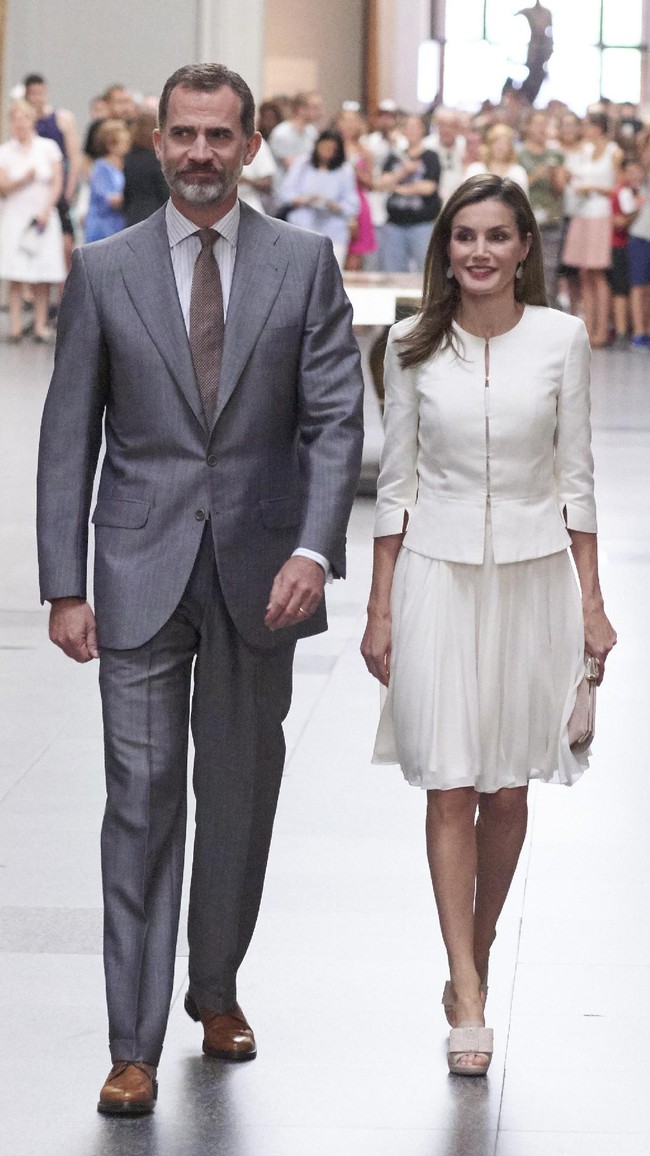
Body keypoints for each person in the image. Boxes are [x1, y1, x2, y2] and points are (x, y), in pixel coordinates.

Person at [37, 62, 364, 1116]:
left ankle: (215, 988)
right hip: (136, 570)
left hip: (262, 576)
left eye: (220, 135)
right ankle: (131, 1044)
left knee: (237, 792)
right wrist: (63, 583)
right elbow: (67, 437)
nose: (199, 153)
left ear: (251, 144)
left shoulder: (303, 264)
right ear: (158, 141)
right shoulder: (103, 270)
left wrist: (314, 549)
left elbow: (334, 421)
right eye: (183, 133)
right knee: (138, 800)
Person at [361, 174, 616, 1078]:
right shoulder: (409, 344)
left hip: (535, 576)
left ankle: (482, 937)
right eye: (463, 235)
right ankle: (466, 990)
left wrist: (592, 601)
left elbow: (577, 477)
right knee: (450, 781)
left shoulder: (562, 338)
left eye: (496, 236)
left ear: (523, 249)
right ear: (446, 249)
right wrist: (380, 606)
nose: (479, 251)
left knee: (507, 791)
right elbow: (396, 483)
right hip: (435, 574)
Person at [0, 99, 66, 342]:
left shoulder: (48, 148)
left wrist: (47, 210)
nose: (20, 124)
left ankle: (39, 326)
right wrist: (24, 179)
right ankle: (15, 327)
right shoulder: (5, 151)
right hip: (15, 216)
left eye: (24, 119)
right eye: (15, 120)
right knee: (16, 274)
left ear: (32, 121)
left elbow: (57, 182)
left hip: (42, 217)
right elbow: (4, 187)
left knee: (42, 275)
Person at [561, 112, 621, 347]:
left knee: (598, 272)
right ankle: (588, 327)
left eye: (587, 125)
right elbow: (574, 176)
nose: (583, 129)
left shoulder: (613, 152)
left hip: (601, 214)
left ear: (598, 127)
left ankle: (601, 329)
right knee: (584, 273)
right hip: (582, 212)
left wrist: (594, 188)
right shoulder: (584, 151)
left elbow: (618, 186)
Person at [24, 72, 82, 273]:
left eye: (40, 93)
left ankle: (66, 284)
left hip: (60, 185)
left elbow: (74, 156)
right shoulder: (26, 123)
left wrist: (70, 188)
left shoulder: (62, 119)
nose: (37, 98)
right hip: (36, 188)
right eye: (32, 94)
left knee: (66, 240)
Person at [281, 129, 360, 268]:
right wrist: (305, 200)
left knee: (329, 272)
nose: (326, 152)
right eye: (324, 147)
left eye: (331, 149)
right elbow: (285, 193)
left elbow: (353, 205)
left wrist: (334, 206)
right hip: (302, 228)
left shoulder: (345, 170)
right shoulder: (303, 164)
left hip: (333, 231)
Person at [379, 113, 441, 273]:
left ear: (422, 130)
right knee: (393, 271)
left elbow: (428, 187)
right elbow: (382, 183)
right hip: (395, 224)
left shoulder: (430, 157)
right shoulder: (394, 156)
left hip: (422, 224)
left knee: (425, 270)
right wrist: (403, 172)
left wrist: (399, 188)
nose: (411, 130)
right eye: (407, 127)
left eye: (415, 127)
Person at [84, 118, 131, 241]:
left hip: (120, 225)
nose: (128, 146)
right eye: (124, 143)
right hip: (103, 227)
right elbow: (106, 198)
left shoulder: (126, 166)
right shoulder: (101, 168)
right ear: (111, 145)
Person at [122, 109, 169, 227]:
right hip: (156, 212)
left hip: (133, 214)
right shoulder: (158, 159)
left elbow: (127, 192)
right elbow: (163, 190)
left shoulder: (128, 158)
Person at [465, 123, 529, 193]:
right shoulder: (475, 169)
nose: (500, 147)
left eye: (504, 144)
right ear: (489, 145)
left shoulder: (518, 172)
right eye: (496, 143)